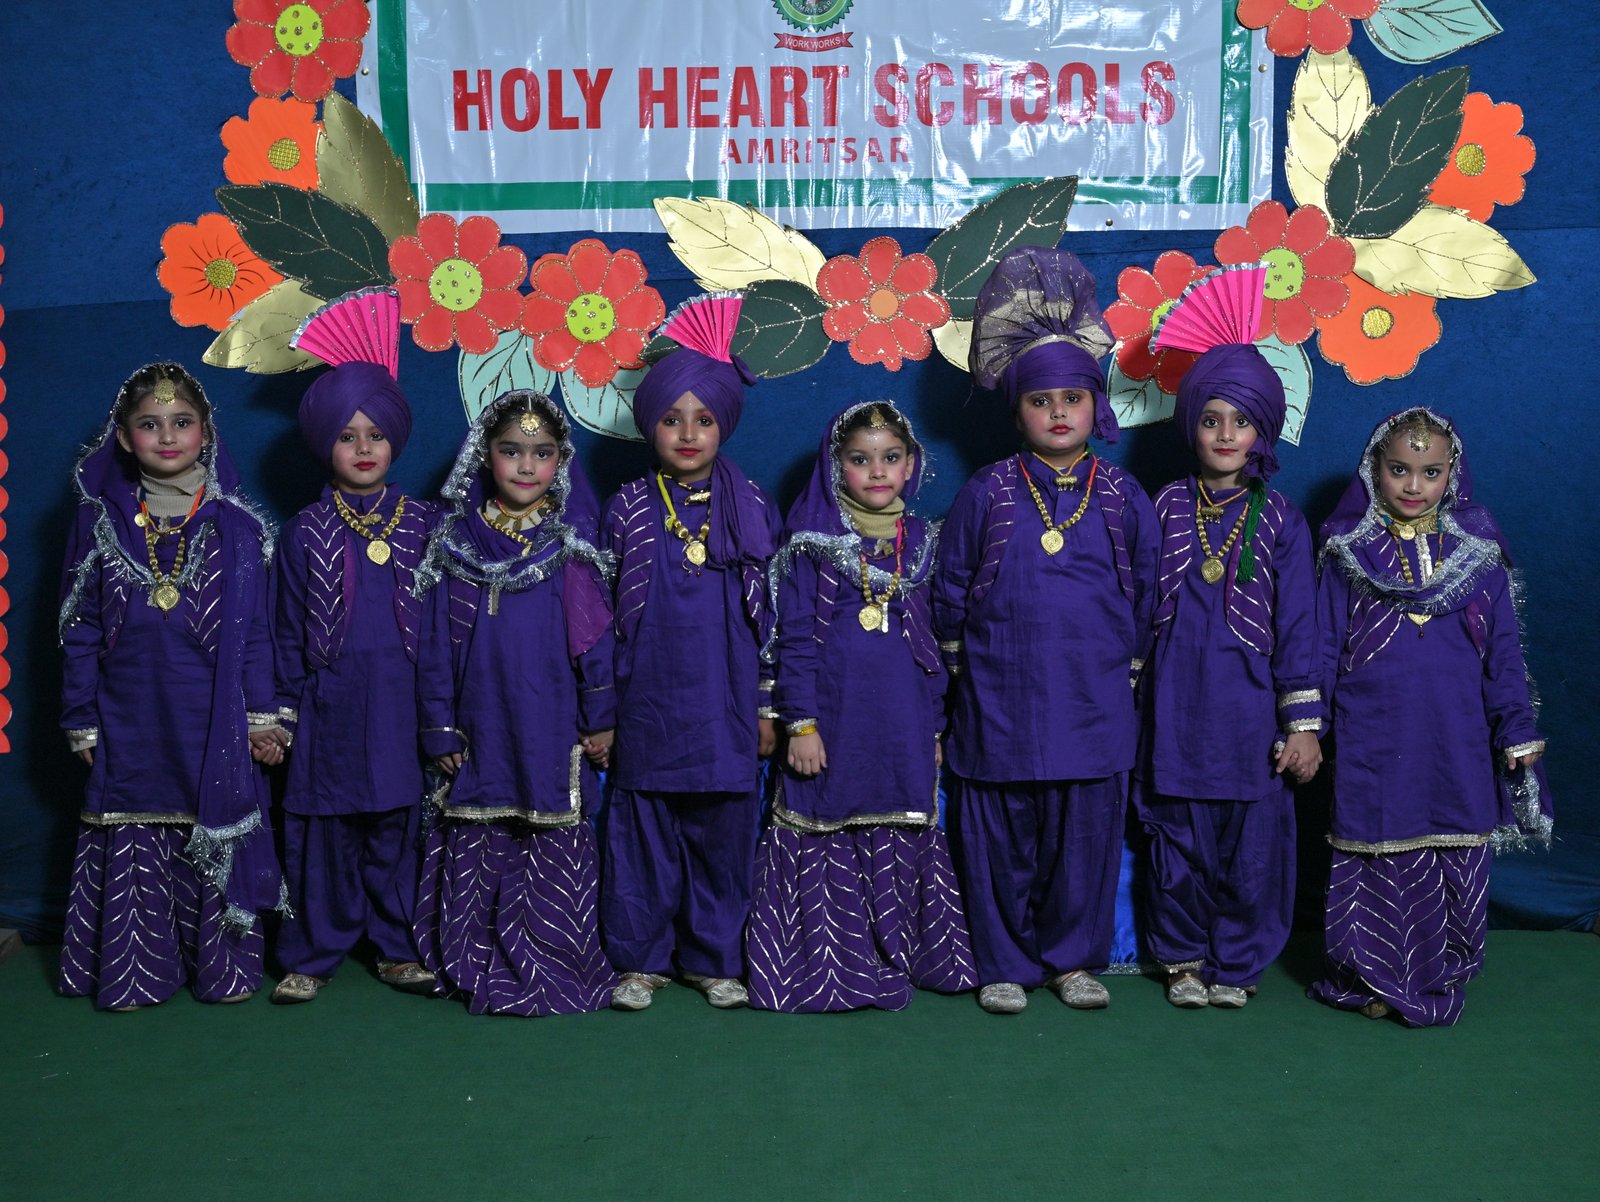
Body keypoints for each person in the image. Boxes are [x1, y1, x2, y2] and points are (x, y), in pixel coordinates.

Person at [934, 247, 1158, 1015]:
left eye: (1073, 398)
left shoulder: (1124, 497)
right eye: (1040, 401)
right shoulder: (985, 494)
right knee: (998, 840)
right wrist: (960, 694)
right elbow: (950, 598)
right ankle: (1002, 962)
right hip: (999, 708)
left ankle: (1073, 961)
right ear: (1016, 409)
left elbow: (1147, 601)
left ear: (1097, 405)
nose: (1058, 413)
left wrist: (1123, 682)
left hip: (1093, 711)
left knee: (1084, 843)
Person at [1308, 407, 1551, 1027]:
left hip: (1456, 737)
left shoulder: (1478, 559)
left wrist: (1516, 728)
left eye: (1431, 472)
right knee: (1376, 847)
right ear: (1374, 469)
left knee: (1453, 843)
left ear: (1453, 475)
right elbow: (1321, 649)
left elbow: (1503, 656)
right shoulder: (1348, 555)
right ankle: (1370, 978)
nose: (1414, 486)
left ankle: (1438, 975)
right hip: (1372, 733)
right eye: (1399, 470)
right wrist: (1307, 726)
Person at [58, 362, 283, 1009]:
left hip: (213, 716)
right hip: (128, 713)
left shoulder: (238, 527)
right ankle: (135, 973)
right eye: (149, 423)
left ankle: (222, 969)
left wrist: (263, 718)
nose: (166, 436)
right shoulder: (99, 523)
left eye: (181, 422)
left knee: (211, 826)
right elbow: (78, 628)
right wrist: (81, 719)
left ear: (206, 431)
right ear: (123, 438)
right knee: (135, 821)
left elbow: (258, 632)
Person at [1134, 265, 1325, 1010]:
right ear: (1191, 425)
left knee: (1252, 852)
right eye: (1210, 418)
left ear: (1261, 431)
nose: (1224, 434)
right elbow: (1134, 609)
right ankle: (1182, 959)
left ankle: (1237, 964)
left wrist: (1301, 726)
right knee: (1175, 842)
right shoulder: (1162, 506)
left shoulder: (1281, 520)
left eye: (1240, 422)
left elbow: (1300, 627)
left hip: (1249, 720)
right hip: (1174, 713)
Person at [746, 401, 976, 1011]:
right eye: (860, 459)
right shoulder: (810, 548)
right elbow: (793, 641)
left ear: (911, 466)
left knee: (903, 817)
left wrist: (935, 727)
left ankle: (905, 954)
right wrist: (800, 725)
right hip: (831, 720)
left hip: (903, 720)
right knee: (824, 815)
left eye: (891, 457)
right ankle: (828, 964)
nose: (877, 471)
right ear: (834, 467)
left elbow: (933, 645)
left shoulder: (924, 543)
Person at [411, 390, 618, 1015]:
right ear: (485, 457)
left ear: (561, 461)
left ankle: (556, 959)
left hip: (550, 722)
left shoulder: (570, 549)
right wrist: (439, 726)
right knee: (480, 827)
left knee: (548, 825)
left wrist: (601, 720)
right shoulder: (455, 546)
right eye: (511, 451)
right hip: (477, 724)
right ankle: (472, 958)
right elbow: (434, 646)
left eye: (542, 453)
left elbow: (594, 647)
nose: (527, 466)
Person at [601, 293, 779, 1011]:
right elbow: (599, 621)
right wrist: (601, 712)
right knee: (642, 836)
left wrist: (768, 708)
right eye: (672, 418)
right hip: (646, 703)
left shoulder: (754, 504)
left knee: (722, 839)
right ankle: (640, 960)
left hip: (726, 704)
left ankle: (713, 959)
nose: (687, 433)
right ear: (649, 423)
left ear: (724, 424)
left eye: (704, 419)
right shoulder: (627, 507)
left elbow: (775, 621)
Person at [271, 290, 436, 1003]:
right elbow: (282, 629)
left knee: (398, 827)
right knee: (325, 832)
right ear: (323, 443)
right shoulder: (302, 532)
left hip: (404, 705)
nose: (363, 448)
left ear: (395, 439)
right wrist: (276, 715)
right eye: (347, 435)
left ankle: (399, 948)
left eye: (375, 434)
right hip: (327, 708)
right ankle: (312, 953)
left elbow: (451, 628)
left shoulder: (426, 524)